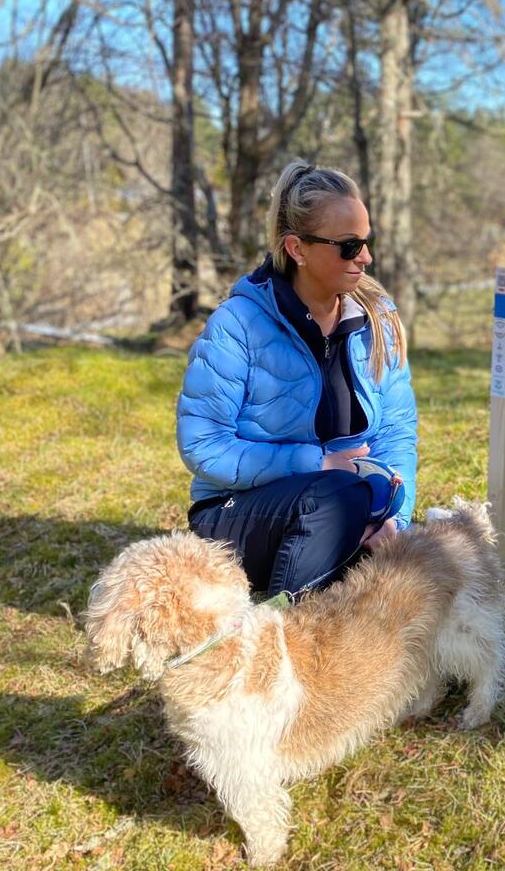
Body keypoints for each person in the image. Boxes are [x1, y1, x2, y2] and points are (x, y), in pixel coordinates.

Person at [176, 160, 418, 598]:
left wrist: (392, 519)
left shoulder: (379, 321)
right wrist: (317, 463)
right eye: (349, 246)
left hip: (349, 508)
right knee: (337, 495)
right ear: (297, 249)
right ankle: (287, 629)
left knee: (364, 512)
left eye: (367, 242)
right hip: (236, 515)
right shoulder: (237, 324)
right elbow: (203, 445)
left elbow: (396, 433)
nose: (366, 257)